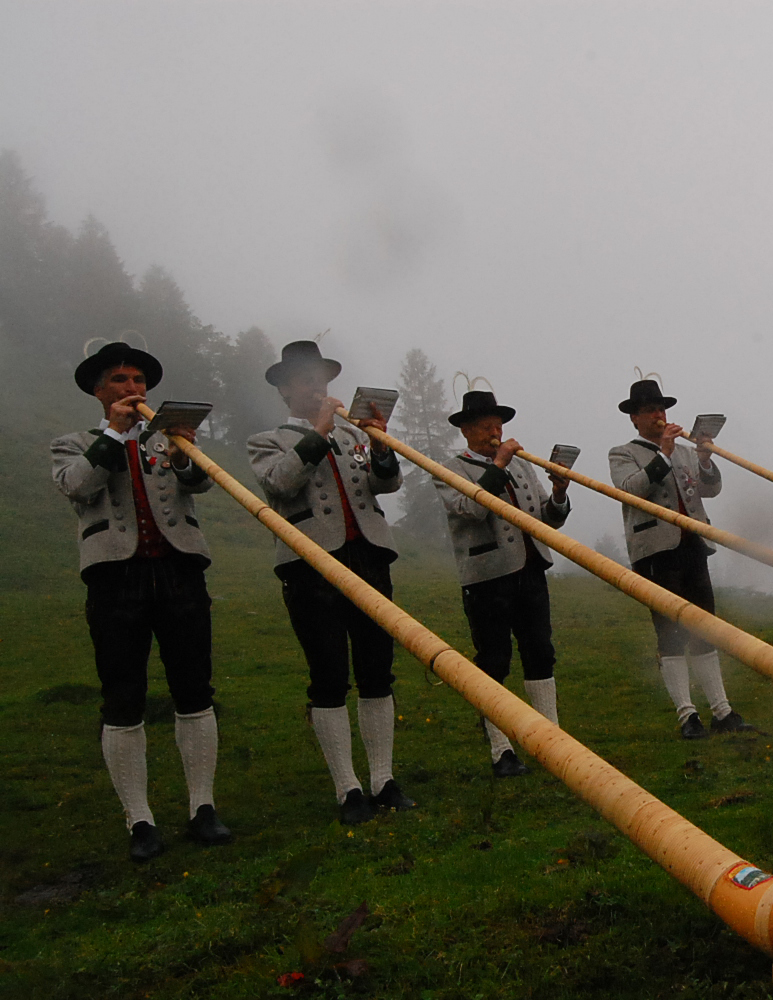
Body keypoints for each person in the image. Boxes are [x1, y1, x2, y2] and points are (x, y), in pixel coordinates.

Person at [51, 340, 232, 861]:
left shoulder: (164, 439)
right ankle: (140, 819)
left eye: (138, 381)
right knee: (123, 695)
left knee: (195, 688)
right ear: (98, 391)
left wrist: (183, 456)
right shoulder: (72, 443)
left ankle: (203, 807)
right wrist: (113, 434)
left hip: (179, 570)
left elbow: (202, 484)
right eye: (120, 381)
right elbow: (79, 488)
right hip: (115, 578)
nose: (133, 389)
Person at [247, 340, 414, 825]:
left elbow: (387, 484)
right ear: (284, 390)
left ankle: (383, 778)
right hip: (310, 564)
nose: (316, 386)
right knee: (328, 674)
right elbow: (279, 483)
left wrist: (380, 446)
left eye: (320, 377)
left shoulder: (351, 433)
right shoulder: (267, 439)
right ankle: (348, 788)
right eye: (304, 379)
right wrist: (318, 432)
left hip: (368, 554)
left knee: (377, 668)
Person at [434, 390, 572, 777]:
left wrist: (560, 492)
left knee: (540, 652)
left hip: (531, 570)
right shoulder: (449, 468)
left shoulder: (523, 467)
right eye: (483, 426)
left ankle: (553, 740)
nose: (493, 432)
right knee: (494, 661)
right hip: (487, 577)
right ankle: (502, 750)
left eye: (497, 425)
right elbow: (473, 508)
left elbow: (548, 519)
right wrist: (498, 463)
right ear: (465, 431)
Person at [608, 378, 754, 738]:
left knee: (705, 627)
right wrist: (665, 454)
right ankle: (687, 715)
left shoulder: (684, 450)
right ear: (634, 419)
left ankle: (722, 710)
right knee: (670, 632)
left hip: (693, 545)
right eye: (649, 411)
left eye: (661, 409)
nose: (658, 416)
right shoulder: (622, 453)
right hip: (655, 551)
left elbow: (710, 489)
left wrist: (704, 459)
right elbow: (630, 490)